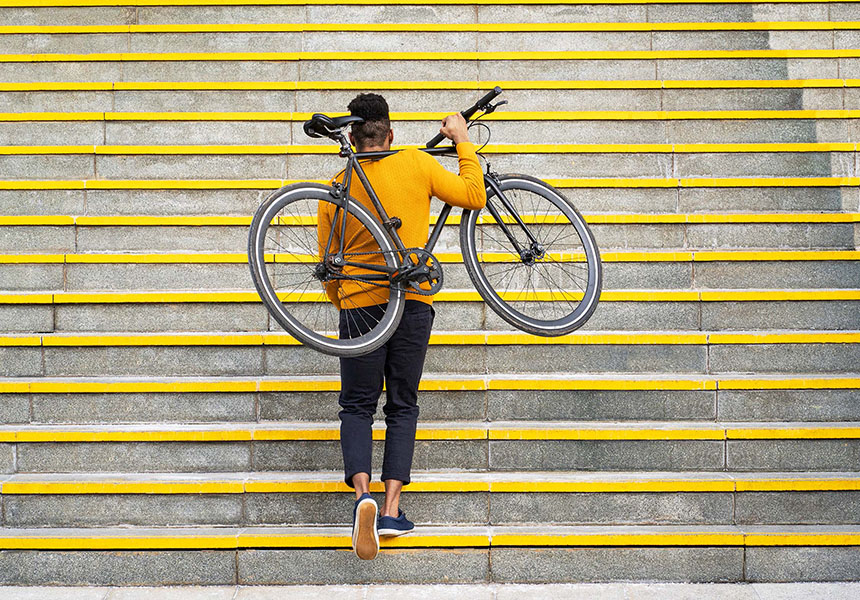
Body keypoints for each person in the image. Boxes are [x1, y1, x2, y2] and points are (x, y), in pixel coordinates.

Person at [316, 93, 486, 560]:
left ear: (351, 136)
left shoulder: (337, 183)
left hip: (359, 306)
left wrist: (346, 300)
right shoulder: (414, 161)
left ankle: (361, 498)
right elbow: (474, 194)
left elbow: (325, 263)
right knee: (402, 404)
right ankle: (391, 509)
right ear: (390, 134)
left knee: (355, 405)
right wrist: (463, 139)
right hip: (410, 303)